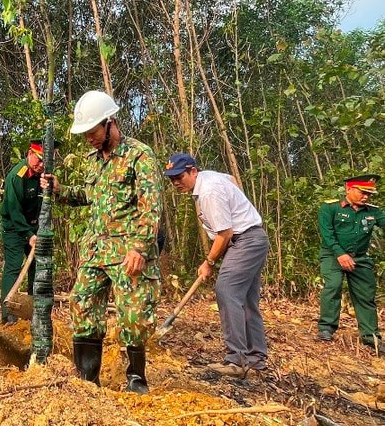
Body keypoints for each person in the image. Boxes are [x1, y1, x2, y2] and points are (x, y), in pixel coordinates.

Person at [42, 91, 160, 394]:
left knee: (133, 315)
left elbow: (151, 206)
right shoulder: (93, 160)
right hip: (96, 250)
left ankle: (136, 378)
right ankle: (87, 380)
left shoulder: (139, 155)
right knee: (81, 304)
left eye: (92, 132)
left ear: (109, 123)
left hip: (128, 251)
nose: (89, 139)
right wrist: (60, 189)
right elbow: (89, 196)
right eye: (85, 135)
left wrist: (140, 248)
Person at [164, 153, 270, 376]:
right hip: (253, 238)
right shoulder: (210, 178)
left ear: (193, 171)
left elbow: (225, 233)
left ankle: (236, 360)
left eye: (180, 177)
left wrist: (209, 262)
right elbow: (231, 178)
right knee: (246, 299)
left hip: (245, 240)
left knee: (227, 290)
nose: (176, 183)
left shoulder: (209, 192)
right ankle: (255, 357)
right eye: (172, 179)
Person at [317, 174, 385, 351]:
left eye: (369, 194)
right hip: (332, 255)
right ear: (349, 189)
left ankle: (371, 338)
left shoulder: (373, 211)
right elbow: (327, 234)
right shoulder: (330, 208)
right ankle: (326, 328)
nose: (366, 197)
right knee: (333, 286)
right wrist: (340, 254)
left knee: (366, 296)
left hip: (360, 258)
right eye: (363, 192)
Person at [0, 140, 48, 324]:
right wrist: (29, 235)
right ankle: (8, 314)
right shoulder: (16, 177)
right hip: (14, 227)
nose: (41, 165)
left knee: (36, 268)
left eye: (44, 161)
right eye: (38, 159)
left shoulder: (43, 175)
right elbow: (14, 211)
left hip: (35, 227)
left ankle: (32, 312)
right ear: (29, 153)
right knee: (13, 267)